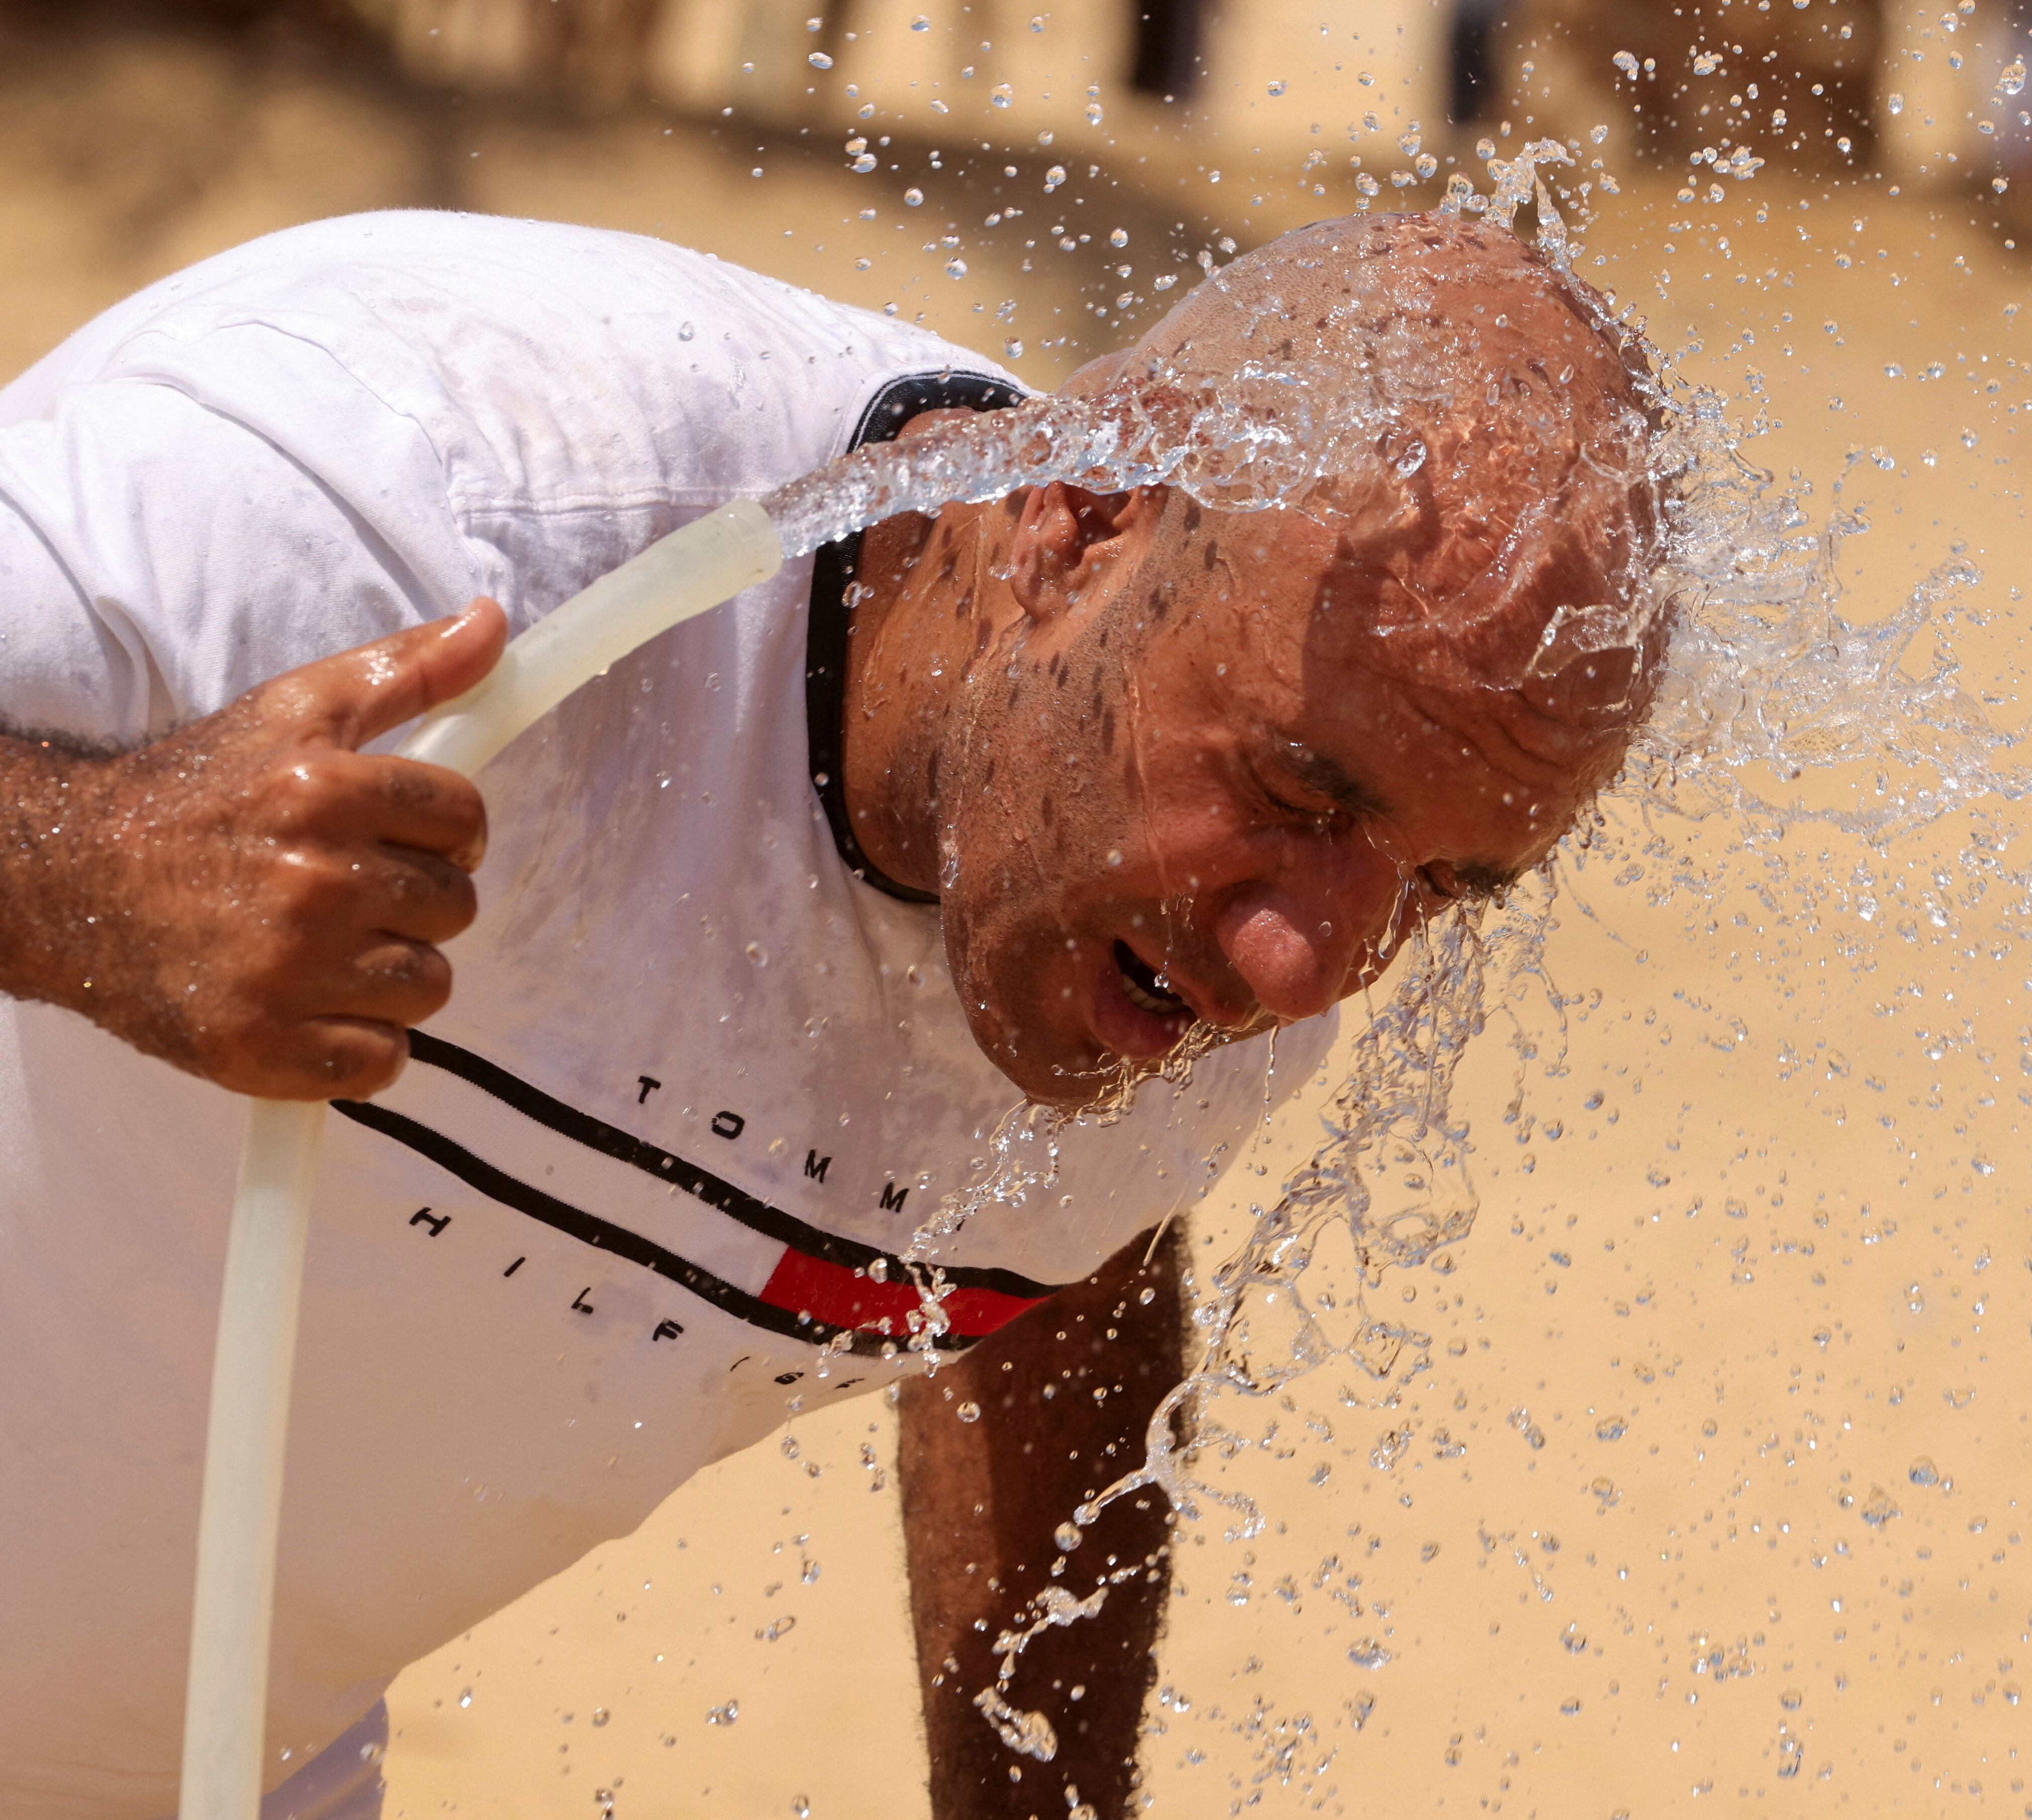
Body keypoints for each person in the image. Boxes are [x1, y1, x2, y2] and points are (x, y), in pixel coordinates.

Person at [0, 204, 1658, 1819]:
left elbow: (1051, 1256)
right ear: (1077, 521)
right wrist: (96, 872)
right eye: (1298, 787)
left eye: (1443, 888)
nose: (1313, 968)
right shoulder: (405, 510)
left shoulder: (1186, 925)